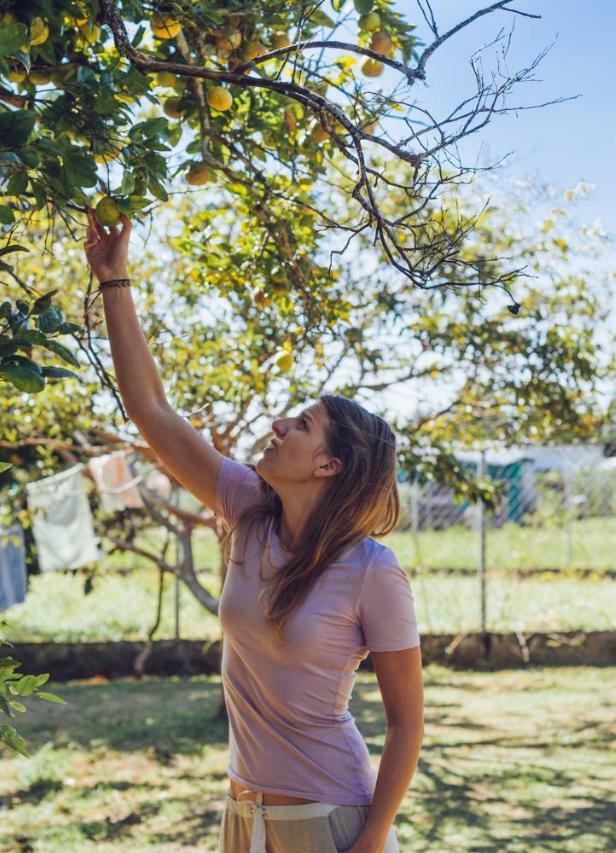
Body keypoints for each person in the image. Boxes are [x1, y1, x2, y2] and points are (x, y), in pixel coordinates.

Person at [83, 209, 423, 853]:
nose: (278, 426)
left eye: (300, 425)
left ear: (329, 465)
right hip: (241, 815)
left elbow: (407, 723)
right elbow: (152, 412)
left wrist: (374, 837)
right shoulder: (248, 509)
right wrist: (114, 281)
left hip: (330, 820)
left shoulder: (372, 571)